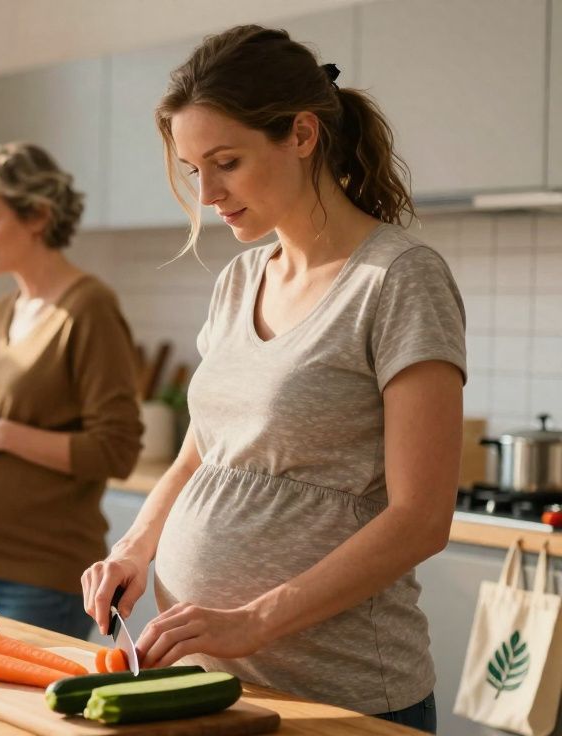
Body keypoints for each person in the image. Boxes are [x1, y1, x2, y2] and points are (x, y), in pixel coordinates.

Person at [81, 26, 464, 733]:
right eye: (196, 169)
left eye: (226, 162)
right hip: (205, 688)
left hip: (340, 696)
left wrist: (253, 621)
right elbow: (205, 449)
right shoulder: (238, 280)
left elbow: (421, 518)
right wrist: (135, 546)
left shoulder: (398, 279)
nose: (208, 194)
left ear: (302, 135)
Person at [0, 142, 143, 637]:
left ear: (37, 216)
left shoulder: (88, 307)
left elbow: (117, 450)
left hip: (40, 579)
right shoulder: (5, 308)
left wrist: (2, 435)